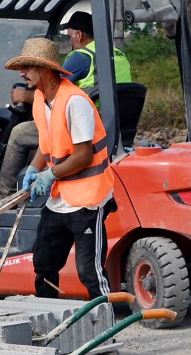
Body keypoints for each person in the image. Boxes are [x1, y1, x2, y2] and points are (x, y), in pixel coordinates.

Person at [12, 36, 115, 299]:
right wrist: (35, 169)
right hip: (59, 198)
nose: (22, 73)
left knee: (89, 272)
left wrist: (50, 175)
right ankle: (48, 322)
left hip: (87, 201)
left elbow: (82, 156)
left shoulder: (75, 101)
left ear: (45, 69)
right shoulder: (39, 99)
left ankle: (106, 323)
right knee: (44, 264)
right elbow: (46, 145)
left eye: (27, 67)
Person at [0, 80, 36, 201]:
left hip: (62, 124)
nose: (22, 73)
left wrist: (27, 95)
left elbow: (55, 94)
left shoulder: (75, 62)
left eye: (27, 68)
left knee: (19, 133)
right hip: (61, 120)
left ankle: (5, 192)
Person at [57, 10, 132, 96]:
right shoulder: (118, 53)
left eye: (70, 36)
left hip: (95, 109)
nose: (70, 42)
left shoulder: (80, 57)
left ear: (79, 35)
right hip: (125, 109)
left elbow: (53, 88)